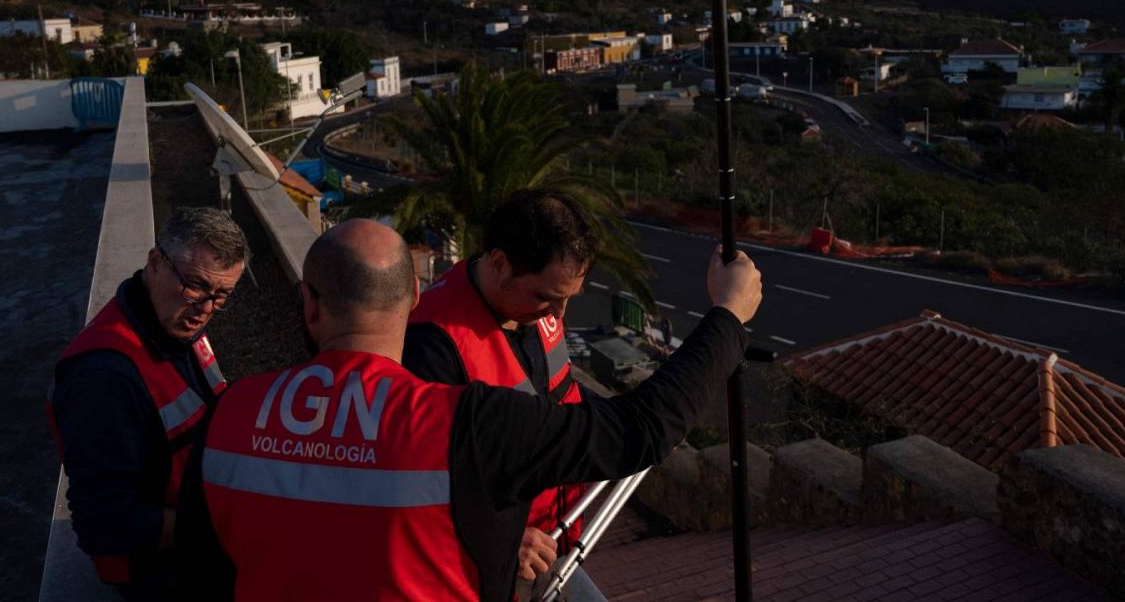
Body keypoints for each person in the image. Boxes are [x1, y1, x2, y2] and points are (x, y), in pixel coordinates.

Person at [176, 218, 761, 602]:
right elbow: (642, 429)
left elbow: (201, 575)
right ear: (410, 300)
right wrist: (727, 318)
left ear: (308, 301)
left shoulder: (228, 417)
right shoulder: (471, 424)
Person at [402, 189, 599, 595]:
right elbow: (416, 480)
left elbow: (557, 394)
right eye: (546, 297)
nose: (560, 314)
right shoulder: (431, 342)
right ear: (500, 264)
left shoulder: (535, 308)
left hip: (555, 540)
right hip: (492, 565)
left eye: (567, 298)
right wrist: (505, 538)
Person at [49, 207, 248, 598]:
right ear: (155, 262)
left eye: (221, 295)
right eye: (195, 286)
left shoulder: (174, 324)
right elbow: (105, 526)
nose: (206, 309)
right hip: (163, 572)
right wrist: (215, 517)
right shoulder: (103, 378)